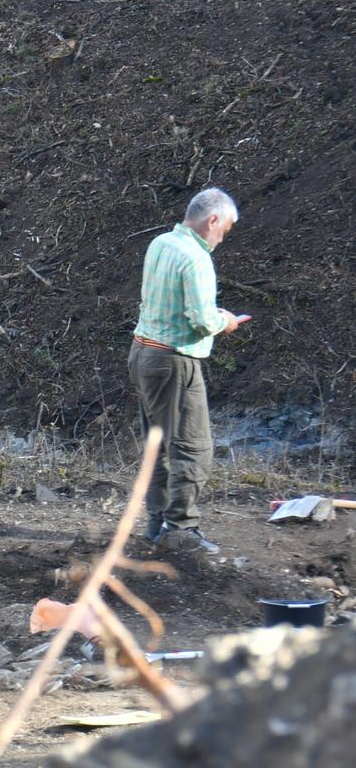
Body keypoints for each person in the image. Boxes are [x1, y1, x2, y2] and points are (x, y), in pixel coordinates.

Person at [129, 187, 250, 555]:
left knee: (157, 445)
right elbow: (200, 321)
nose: (222, 238)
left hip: (143, 353)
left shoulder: (160, 243)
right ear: (212, 220)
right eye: (224, 230)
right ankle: (181, 530)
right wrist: (225, 321)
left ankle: (157, 525)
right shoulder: (196, 258)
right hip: (173, 361)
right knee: (193, 448)